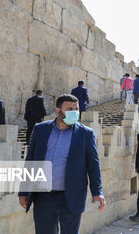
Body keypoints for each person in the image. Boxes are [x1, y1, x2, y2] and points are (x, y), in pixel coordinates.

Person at [18, 94, 105, 234]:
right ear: (58, 111)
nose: (75, 112)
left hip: (71, 196)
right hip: (43, 197)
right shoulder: (41, 129)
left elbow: (93, 164)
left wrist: (97, 192)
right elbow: (31, 161)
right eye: (70, 109)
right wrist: (23, 191)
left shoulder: (85, 133)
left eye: (76, 109)